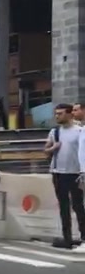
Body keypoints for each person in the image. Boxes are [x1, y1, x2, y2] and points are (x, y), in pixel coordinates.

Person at [45, 103, 85, 249]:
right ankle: (67, 237)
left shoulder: (80, 131)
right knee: (63, 205)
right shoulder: (55, 131)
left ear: (69, 114)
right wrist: (52, 148)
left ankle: (83, 235)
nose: (57, 116)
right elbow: (46, 149)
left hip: (75, 173)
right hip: (58, 173)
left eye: (60, 113)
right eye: (56, 114)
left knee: (78, 205)